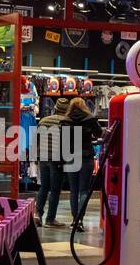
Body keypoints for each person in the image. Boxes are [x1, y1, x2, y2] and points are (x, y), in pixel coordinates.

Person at [63, 97, 103, 230]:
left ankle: (74, 219)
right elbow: (100, 134)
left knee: (73, 190)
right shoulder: (90, 119)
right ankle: (80, 220)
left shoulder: (65, 120)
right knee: (84, 190)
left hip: (71, 157)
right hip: (86, 156)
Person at [34, 98, 70, 227]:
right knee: (55, 190)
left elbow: (36, 139)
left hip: (43, 157)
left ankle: (37, 214)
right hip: (57, 159)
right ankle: (50, 219)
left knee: (44, 187)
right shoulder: (66, 122)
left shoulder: (44, 120)